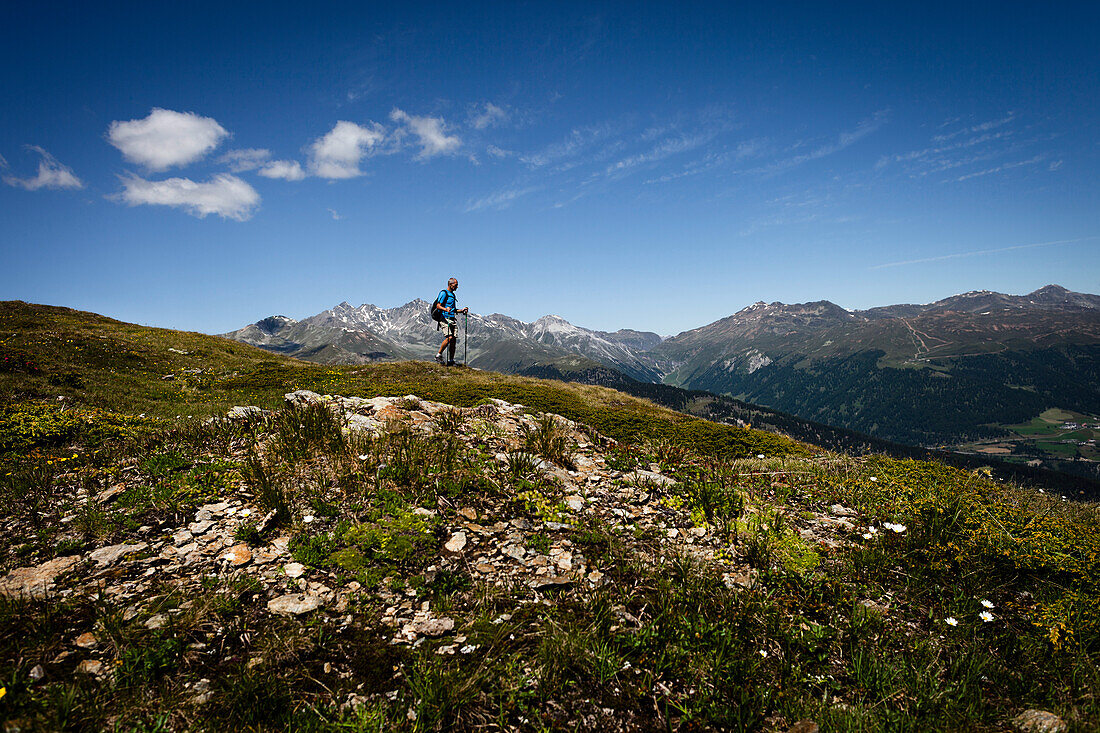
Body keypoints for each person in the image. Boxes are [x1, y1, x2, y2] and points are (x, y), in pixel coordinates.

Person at [433, 277, 468, 366]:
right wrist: (445, 309)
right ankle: (438, 355)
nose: (457, 287)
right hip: (444, 318)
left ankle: (451, 360)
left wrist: (462, 310)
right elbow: (438, 306)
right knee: (450, 337)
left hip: (452, 318)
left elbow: (454, 310)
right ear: (450, 284)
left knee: (453, 340)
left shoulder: (452, 295)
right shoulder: (443, 293)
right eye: (456, 285)